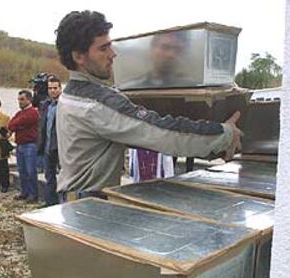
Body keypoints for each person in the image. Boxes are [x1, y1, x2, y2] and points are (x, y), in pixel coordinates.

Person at [54, 11, 242, 202]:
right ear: (78, 56)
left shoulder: (70, 94)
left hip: (72, 200)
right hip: (88, 207)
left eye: (110, 46)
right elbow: (161, 133)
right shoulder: (97, 104)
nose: (113, 54)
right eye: (103, 49)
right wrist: (223, 134)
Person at [8, 90, 40, 203]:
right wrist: (17, 126)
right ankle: (24, 192)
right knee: (22, 170)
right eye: (19, 99)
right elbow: (11, 124)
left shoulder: (33, 112)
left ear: (29, 100)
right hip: (20, 145)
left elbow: (20, 123)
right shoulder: (19, 113)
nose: (20, 102)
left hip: (30, 145)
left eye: (22, 99)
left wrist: (16, 126)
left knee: (31, 170)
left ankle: (33, 194)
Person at [37, 75, 61, 206]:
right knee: (49, 176)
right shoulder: (45, 105)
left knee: (62, 177)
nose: (52, 90)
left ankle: (63, 203)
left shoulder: (64, 105)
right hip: (47, 147)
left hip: (60, 147)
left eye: (55, 88)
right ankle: (50, 202)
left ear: (60, 89)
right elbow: (41, 127)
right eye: (50, 88)